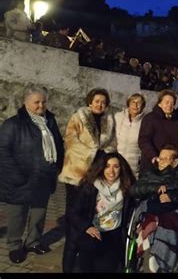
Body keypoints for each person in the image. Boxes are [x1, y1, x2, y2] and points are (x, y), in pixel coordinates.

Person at [0, 87, 64, 264]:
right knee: (17, 216)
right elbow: (3, 152)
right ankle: (14, 246)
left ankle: (33, 242)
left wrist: (57, 167)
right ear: (25, 103)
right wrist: (16, 177)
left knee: (39, 214)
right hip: (21, 179)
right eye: (36, 102)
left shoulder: (50, 121)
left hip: (44, 177)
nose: (41, 105)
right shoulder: (13, 124)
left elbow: (59, 144)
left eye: (43, 102)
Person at [58, 88, 117, 272]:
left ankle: (84, 258)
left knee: (89, 214)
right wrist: (93, 154)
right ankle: (68, 262)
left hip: (97, 175)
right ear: (90, 102)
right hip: (77, 173)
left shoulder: (109, 120)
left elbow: (113, 143)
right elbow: (70, 140)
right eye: (96, 100)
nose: (100, 104)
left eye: (103, 102)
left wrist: (105, 157)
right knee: (74, 216)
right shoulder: (78, 117)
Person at [130, 144, 178, 272]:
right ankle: (149, 263)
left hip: (175, 211)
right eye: (160, 158)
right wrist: (154, 188)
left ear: (175, 161)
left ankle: (157, 265)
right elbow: (134, 189)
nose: (161, 162)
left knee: (165, 227)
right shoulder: (151, 172)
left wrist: (172, 196)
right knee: (149, 225)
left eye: (166, 159)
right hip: (151, 209)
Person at [69, 152, 135, 272]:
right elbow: (74, 213)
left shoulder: (127, 187)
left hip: (114, 232)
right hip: (93, 229)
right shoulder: (90, 187)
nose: (111, 171)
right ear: (101, 168)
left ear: (121, 169)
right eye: (107, 166)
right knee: (88, 250)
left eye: (116, 166)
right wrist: (86, 226)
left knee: (107, 265)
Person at [138, 89, 178, 176]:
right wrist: (154, 157)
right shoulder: (150, 118)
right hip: (152, 164)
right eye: (167, 102)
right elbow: (143, 140)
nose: (169, 105)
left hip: (170, 165)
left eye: (172, 103)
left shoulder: (177, 121)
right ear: (159, 103)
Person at [114, 93, 146, 178]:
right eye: (133, 102)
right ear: (128, 103)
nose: (135, 105)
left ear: (142, 106)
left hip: (134, 164)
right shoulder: (118, 117)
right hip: (116, 161)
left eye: (139, 103)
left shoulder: (146, 121)